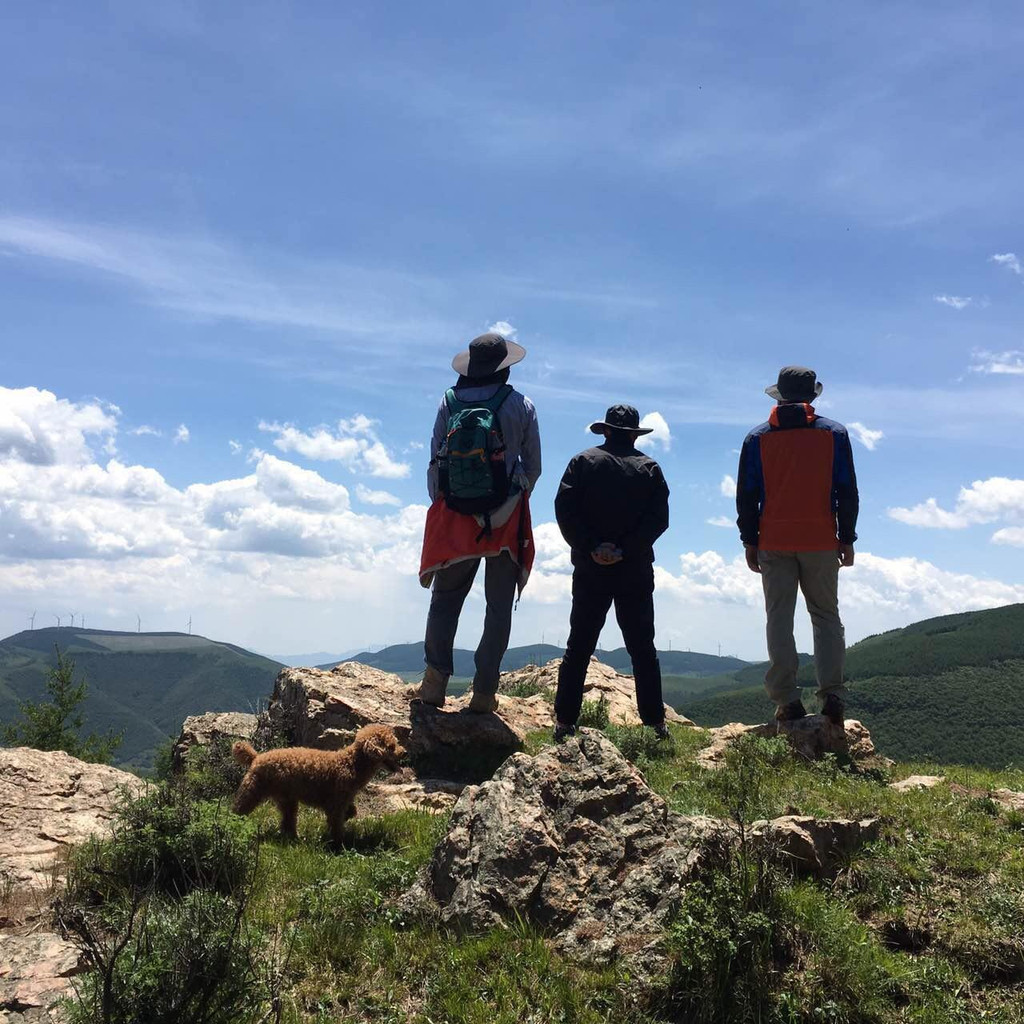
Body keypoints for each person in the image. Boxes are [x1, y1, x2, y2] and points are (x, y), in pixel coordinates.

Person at [414, 332, 541, 713]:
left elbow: (436, 460)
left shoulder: (448, 402)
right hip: (504, 519)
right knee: (498, 606)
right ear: (504, 367)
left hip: (453, 517)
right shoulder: (521, 405)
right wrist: (509, 500)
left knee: (446, 601)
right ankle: (484, 693)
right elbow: (533, 468)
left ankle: (435, 684)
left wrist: (451, 502)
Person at [736, 366, 859, 726]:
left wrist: (749, 540)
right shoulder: (834, 434)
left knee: (779, 617)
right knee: (825, 617)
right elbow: (846, 490)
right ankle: (832, 695)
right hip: (821, 539)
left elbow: (747, 496)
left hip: (773, 540)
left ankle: (787, 701)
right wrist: (847, 537)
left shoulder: (757, 438)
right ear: (813, 396)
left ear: (779, 396)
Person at [552, 404, 671, 741]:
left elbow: (565, 510)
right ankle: (655, 724)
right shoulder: (649, 468)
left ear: (605, 430)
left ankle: (564, 722)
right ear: (634, 434)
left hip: (589, 569)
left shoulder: (582, 462)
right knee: (642, 648)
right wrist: (624, 550)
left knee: (579, 646)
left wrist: (592, 547)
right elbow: (658, 520)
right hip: (634, 569)